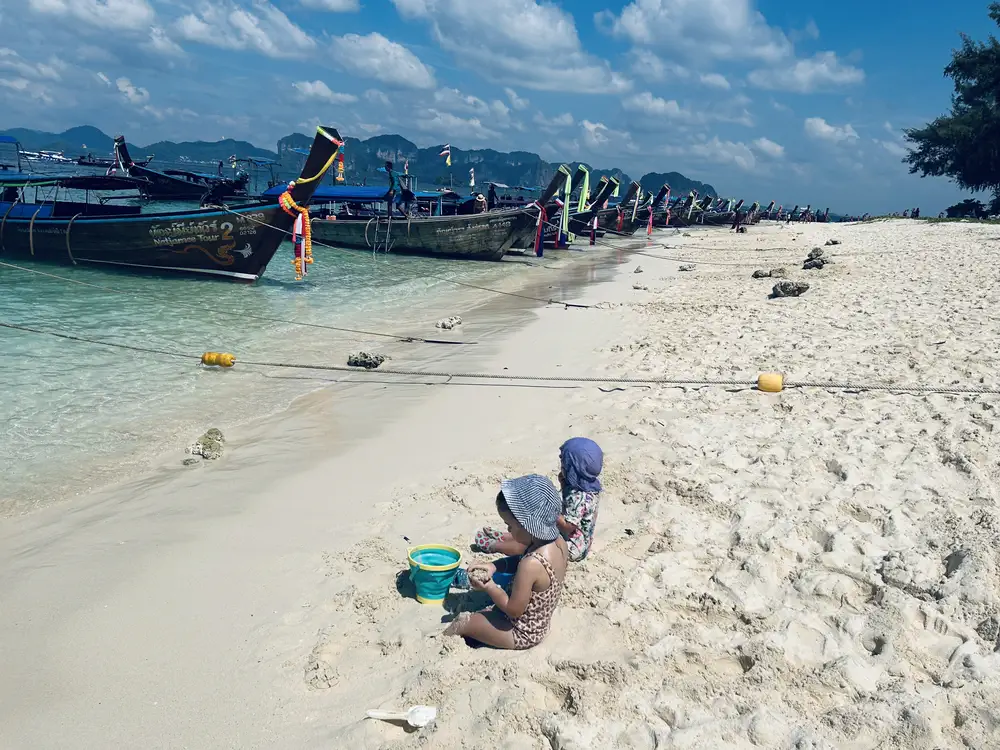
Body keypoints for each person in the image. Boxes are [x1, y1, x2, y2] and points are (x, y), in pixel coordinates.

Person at [445, 475, 567, 649]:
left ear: (528, 526)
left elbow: (513, 609)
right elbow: (519, 560)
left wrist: (490, 587)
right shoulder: (558, 543)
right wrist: (494, 566)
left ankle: (436, 643)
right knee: (482, 616)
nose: (508, 530)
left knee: (464, 622)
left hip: (522, 632)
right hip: (536, 623)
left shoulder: (531, 564)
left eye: (510, 525)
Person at [472, 438, 603, 563]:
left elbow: (569, 526)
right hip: (572, 535)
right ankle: (504, 536)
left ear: (573, 469)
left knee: (531, 544)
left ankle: (496, 546)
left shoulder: (579, 496)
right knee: (533, 530)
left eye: (564, 464)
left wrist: (552, 512)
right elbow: (571, 507)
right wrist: (564, 486)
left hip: (572, 545)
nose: (561, 466)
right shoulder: (586, 485)